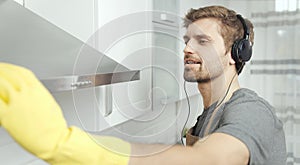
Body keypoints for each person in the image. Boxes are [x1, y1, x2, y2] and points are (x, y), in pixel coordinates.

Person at [0, 5, 286, 165]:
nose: (187, 48)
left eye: (203, 41)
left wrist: (65, 144)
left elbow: (211, 160)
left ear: (236, 55)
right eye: (187, 40)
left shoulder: (252, 110)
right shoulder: (205, 119)